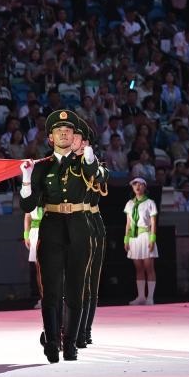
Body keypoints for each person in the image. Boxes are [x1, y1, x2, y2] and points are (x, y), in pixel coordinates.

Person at [20, 109, 100, 363]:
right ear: (50, 138)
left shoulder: (83, 162)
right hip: (52, 227)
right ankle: (52, 342)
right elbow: (27, 205)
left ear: (74, 136)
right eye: (58, 131)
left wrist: (88, 153)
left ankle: (71, 343)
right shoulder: (42, 167)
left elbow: (95, 175)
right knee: (51, 290)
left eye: (68, 130)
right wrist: (26, 179)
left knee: (76, 288)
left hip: (78, 226)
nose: (64, 133)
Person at [78, 118, 107, 346]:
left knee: (89, 281)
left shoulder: (95, 164)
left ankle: (84, 330)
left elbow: (99, 176)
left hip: (90, 222)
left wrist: (89, 159)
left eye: (80, 139)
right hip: (66, 223)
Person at [124, 177, 158, 305]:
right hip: (134, 238)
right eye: (134, 184)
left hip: (145, 235)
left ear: (145, 187)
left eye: (140, 184)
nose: (137, 187)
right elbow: (128, 223)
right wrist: (126, 239)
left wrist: (152, 239)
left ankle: (150, 297)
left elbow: (153, 223)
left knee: (149, 267)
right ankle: (141, 297)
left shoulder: (150, 203)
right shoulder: (129, 203)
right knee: (138, 268)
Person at [24, 206, 44, 309]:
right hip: (35, 234)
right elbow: (27, 216)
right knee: (39, 268)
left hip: (51, 231)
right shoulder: (32, 200)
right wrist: (26, 235)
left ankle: (57, 297)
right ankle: (43, 298)